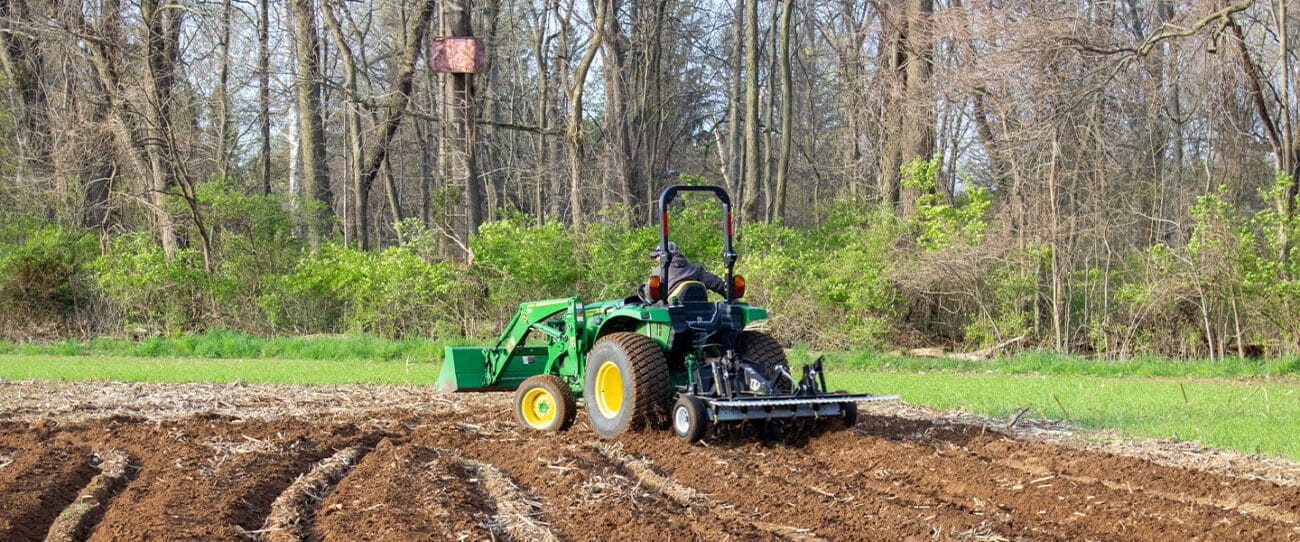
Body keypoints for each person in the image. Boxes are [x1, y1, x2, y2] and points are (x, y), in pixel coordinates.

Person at [646, 241, 726, 301]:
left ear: (664, 255)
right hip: (701, 311)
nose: (656, 259)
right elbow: (716, 283)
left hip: (671, 312)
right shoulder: (695, 269)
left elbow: (649, 295)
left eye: (657, 256)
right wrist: (729, 294)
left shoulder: (659, 271)